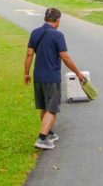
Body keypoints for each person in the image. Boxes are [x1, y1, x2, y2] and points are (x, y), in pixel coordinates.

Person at [24, 8, 86, 150]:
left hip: (38, 76)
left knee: (45, 107)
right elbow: (65, 57)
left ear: (45, 18)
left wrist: (26, 73)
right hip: (51, 77)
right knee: (52, 109)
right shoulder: (58, 35)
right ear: (57, 20)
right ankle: (42, 138)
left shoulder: (35, 33)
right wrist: (77, 72)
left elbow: (29, 54)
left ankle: (49, 133)